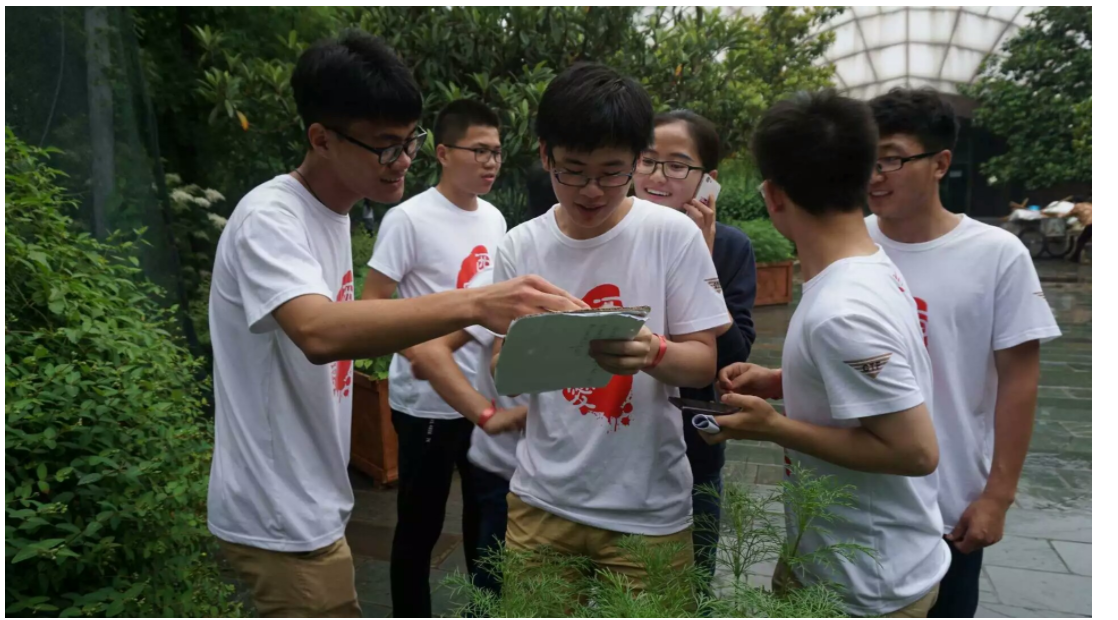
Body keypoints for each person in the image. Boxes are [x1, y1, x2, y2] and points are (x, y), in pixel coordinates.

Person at [206, 32, 583, 618]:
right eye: (386, 147)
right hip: (278, 515)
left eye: (410, 141)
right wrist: (477, 304)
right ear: (321, 138)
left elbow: (374, 326)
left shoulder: (333, 213)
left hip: (311, 506)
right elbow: (319, 332)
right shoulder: (270, 217)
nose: (404, 160)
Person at [708, 90, 950, 617]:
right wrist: (783, 379)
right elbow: (874, 383)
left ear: (772, 195)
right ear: (866, 176)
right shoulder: (869, 266)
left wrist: (772, 426)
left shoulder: (843, 310)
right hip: (844, 560)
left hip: (865, 586)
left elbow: (915, 452)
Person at [490, 62, 731, 587]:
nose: (592, 190)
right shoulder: (519, 246)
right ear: (544, 154)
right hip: (540, 502)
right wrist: (524, 356)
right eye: (572, 170)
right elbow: (498, 365)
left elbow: (703, 363)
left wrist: (654, 353)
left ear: (637, 162)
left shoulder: (673, 235)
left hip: (648, 511)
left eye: (612, 172)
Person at [866, 87, 1062, 618]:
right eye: (866, 158)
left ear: (940, 164)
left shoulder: (996, 254)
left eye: (891, 158)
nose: (874, 174)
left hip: (947, 509)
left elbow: (1019, 382)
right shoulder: (849, 243)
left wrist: (997, 496)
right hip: (857, 500)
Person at [360, 98, 515, 618]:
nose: (491, 162)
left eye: (496, 151)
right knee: (420, 527)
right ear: (444, 152)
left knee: (487, 520)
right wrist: (429, 352)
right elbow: (373, 304)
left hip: (484, 396)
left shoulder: (496, 220)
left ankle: (482, 611)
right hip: (425, 401)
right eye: (480, 151)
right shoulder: (409, 219)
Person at [632, 109, 757, 582]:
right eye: (647, 161)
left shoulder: (729, 247)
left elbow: (733, 360)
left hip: (693, 446)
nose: (658, 176)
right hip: (617, 437)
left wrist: (701, 263)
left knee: (690, 584)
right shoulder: (608, 233)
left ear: (709, 181)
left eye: (678, 165)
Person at [1068, 198, 1092, 263]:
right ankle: (1074, 257)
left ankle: (1075, 258)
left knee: (1081, 241)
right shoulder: (1089, 205)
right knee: (1082, 240)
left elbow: (1069, 213)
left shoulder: (1078, 206)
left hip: (1091, 224)